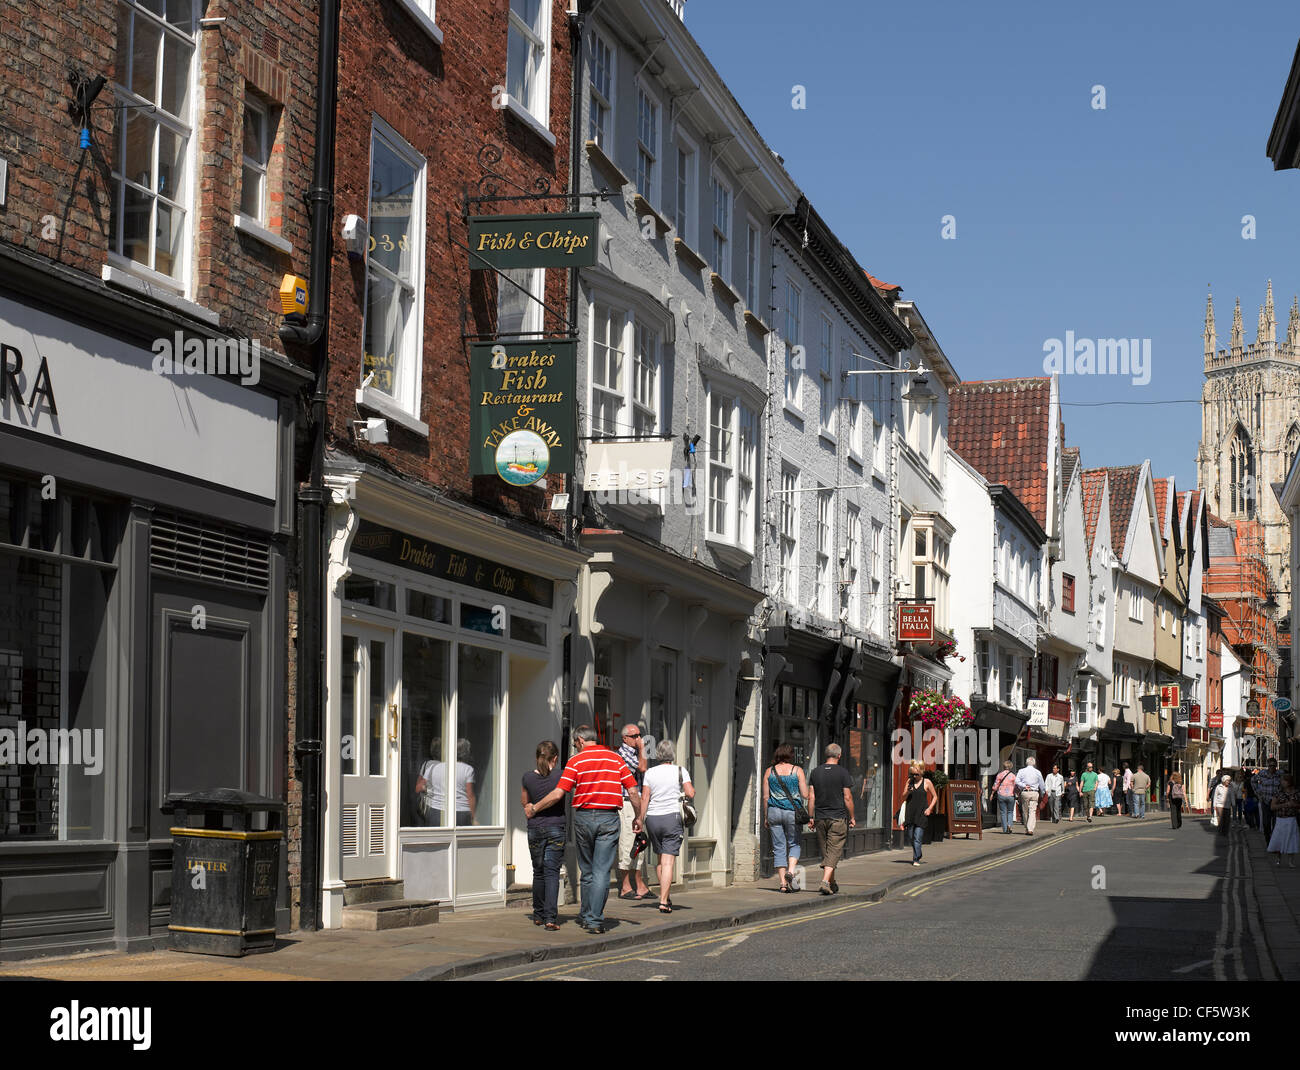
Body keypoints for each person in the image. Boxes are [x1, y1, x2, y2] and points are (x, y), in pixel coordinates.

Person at [525, 725, 641, 935]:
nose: (575, 747)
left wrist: (534, 807)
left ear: (579, 740)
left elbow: (559, 793)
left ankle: (587, 915)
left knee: (587, 870)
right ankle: (593, 919)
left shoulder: (576, 761)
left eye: (575, 744)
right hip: (608, 818)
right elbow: (633, 791)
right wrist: (639, 817)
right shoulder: (616, 759)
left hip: (584, 818)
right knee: (601, 871)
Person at [637, 740, 695, 912]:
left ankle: (665, 894)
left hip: (652, 819)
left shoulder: (650, 772)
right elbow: (690, 792)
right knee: (668, 862)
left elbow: (645, 797)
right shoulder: (680, 770)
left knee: (661, 859)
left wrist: (640, 819)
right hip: (672, 818)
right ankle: (663, 901)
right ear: (673, 754)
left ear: (658, 755)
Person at [521, 741, 565, 931]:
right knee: (552, 872)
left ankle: (537, 915)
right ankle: (550, 918)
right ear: (554, 758)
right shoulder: (560, 775)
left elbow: (525, 803)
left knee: (538, 872)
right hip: (556, 827)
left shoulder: (527, 777)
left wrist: (533, 807)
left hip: (535, 829)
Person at [807, 743, 855, 895]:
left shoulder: (815, 772)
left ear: (826, 754)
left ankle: (832, 883)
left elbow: (811, 796)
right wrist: (852, 816)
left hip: (820, 817)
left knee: (827, 852)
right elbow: (847, 797)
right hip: (838, 817)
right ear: (839, 755)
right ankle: (825, 881)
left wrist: (810, 816)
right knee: (833, 851)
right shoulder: (843, 773)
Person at [762, 743, 808, 893]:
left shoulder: (769, 771)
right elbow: (805, 794)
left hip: (774, 811)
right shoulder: (797, 770)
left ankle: (782, 884)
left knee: (778, 847)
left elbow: (765, 797)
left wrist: (766, 816)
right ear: (791, 755)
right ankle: (791, 871)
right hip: (792, 812)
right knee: (794, 843)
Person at [615, 722, 651, 901]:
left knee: (639, 844)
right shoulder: (622, 754)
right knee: (628, 843)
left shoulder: (637, 753)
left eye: (639, 735)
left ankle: (641, 885)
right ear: (625, 738)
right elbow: (643, 768)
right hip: (627, 803)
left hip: (638, 803)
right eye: (634, 736)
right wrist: (643, 747)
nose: (638, 739)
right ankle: (624, 886)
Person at [416, 738, 477, 827]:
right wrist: (474, 817)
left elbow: (418, 788)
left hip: (436, 811)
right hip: (461, 813)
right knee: (460, 840)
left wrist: (430, 789)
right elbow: (470, 795)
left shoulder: (433, 767)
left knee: (436, 839)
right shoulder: (468, 769)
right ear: (466, 753)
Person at [902, 761, 938, 866]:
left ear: (921, 772)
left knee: (917, 837)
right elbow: (903, 797)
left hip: (922, 813)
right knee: (910, 837)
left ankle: (916, 859)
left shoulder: (927, 782)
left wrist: (930, 809)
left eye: (916, 774)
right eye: (912, 774)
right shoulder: (909, 782)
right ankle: (919, 853)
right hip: (910, 813)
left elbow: (935, 796)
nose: (914, 776)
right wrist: (908, 791)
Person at [1266, 774, 1299, 867]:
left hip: (1291, 819)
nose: (1282, 782)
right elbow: (1272, 807)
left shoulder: (1296, 793)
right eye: (1282, 780)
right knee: (1279, 839)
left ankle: (1290, 861)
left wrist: (1294, 805)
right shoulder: (1278, 793)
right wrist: (1284, 805)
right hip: (1281, 819)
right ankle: (1278, 859)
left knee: (1291, 839)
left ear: (1289, 782)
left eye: (1284, 780)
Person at [1015, 756, 1045, 835]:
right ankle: (1030, 829)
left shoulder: (1021, 771)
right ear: (1034, 763)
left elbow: (1017, 781)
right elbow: (1042, 784)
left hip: (1025, 792)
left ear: (1026, 763)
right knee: (1032, 811)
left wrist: (1024, 785)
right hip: (1035, 792)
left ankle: (1027, 828)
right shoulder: (1038, 772)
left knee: (1025, 811)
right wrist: (1042, 793)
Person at [1254, 758, 1282, 844]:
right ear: (1267, 766)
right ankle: (1268, 839)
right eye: (1270, 766)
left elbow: (1285, 783)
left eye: (1274, 766)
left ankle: (1273, 841)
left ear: (1276, 766)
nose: (1272, 767)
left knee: (1276, 823)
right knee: (1266, 823)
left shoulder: (1280, 774)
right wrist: (1258, 793)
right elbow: (1252, 780)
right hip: (1265, 801)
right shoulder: (1262, 773)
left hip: (1276, 802)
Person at [991, 760, 1017, 833]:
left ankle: (1005, 829)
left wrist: (992, 793)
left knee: (1003, 812)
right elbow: (1016, 786)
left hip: (1001, 795)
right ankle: (1009, 825)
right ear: (1011, 767)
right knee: (1010, 811)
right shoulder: (1013, 776)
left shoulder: (1000, 774)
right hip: (1010, 795)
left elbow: (995, 785)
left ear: (1004, 766)